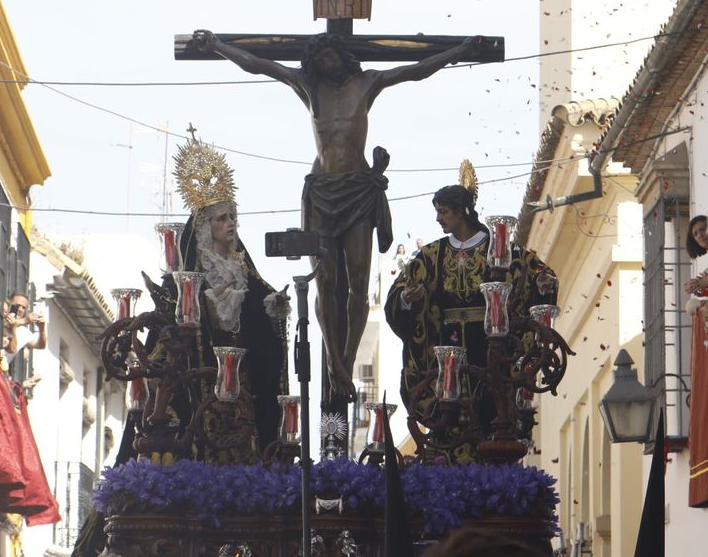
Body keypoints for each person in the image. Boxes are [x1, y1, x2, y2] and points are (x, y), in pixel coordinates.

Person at [191, 28, 483, 407]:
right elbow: (260, 64)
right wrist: (217, 46)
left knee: (359, 281)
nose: (325, 64)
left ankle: (346, 358)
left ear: (342, 56)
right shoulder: (309, 87)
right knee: (325, 282)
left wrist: (459, 49)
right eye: (319, 60)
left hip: (358, 191)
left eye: (329, 57)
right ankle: (334, 364)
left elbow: (416, 70)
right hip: (322, 193)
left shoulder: (367, 83)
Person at [385, 175, 556, 462]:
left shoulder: (501, 251)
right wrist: (406, 299)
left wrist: (542, 285)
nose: (438, 218)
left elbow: (536, 273)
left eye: (443, 212)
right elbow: (398, 293)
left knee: (492, 409)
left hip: (490, 345)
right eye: (437, 212)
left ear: (462, 211)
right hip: (446, 348)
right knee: (449, 416)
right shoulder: (430, 256)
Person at [169, 138, 292, 462]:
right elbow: (186, 316)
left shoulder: (242, 269)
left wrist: (274, 306)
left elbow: (261, 305)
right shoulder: (195, 273)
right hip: (206, 371)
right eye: (221, 218)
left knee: (246, 424)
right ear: (205, 227)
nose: (230, 223)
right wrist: (211, 303)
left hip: (243, 373)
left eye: (232, 217)